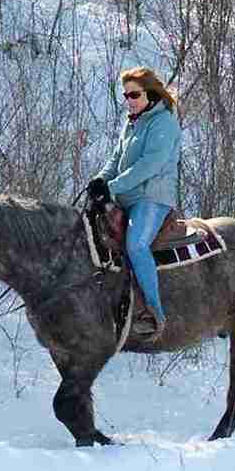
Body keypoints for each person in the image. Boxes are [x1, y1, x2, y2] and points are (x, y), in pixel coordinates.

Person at [91, 66, 182, 344]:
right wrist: (99, 180)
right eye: (126, 95)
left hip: (152, 198)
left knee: (136, 245)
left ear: (150, 93)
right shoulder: (132, 122)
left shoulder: (164, 122)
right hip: (125, 197)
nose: (129, 100)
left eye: (135, 94)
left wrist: (112, 186)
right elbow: (116, 158)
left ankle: (154, 311)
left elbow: (149, 165)